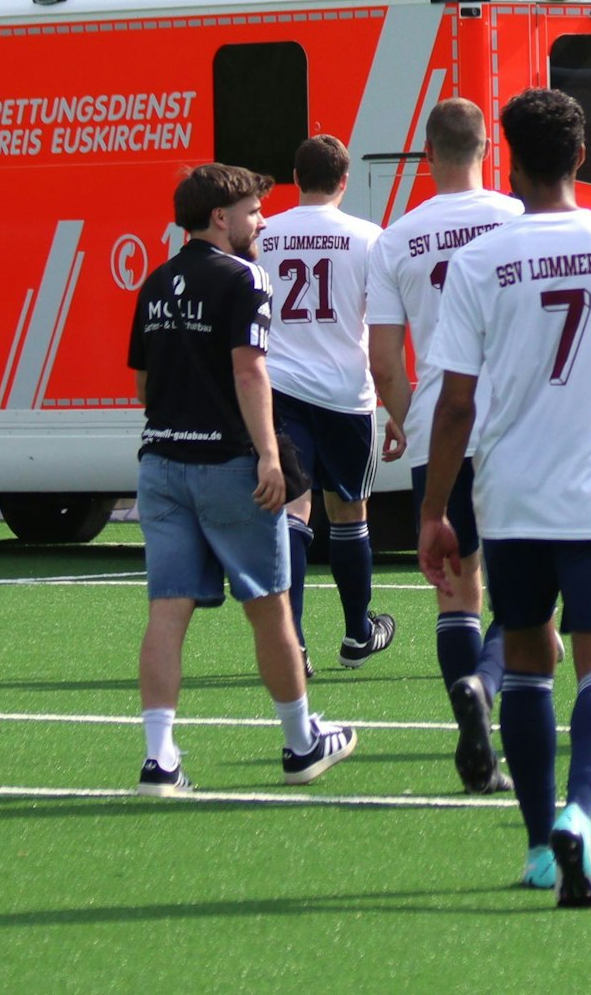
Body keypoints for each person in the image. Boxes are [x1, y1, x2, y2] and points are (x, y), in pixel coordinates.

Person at [419, 88, 591, 906]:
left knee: (528, 663)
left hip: (511, 495)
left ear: (509, 161)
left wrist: (435, 509)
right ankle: (581, 809)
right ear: (581, 156)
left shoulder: (479, 261)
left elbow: (456, 404)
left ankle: (541, 845)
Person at [128, 164, 358, 795]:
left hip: (160, 465)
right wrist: (268, 455)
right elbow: (250, 371)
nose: (261, 222)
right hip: (228, 466)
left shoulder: (155, 281)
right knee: (269, 606)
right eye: (254, 211)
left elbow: (144, 384)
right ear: (220, 217)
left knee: (167, 611)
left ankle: (159, 759)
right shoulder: (244, 277)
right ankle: (300, 743)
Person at [368, 97, 535, 794]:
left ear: (429, 154)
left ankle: (477, 740)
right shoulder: (517, 217)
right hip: (517, 419)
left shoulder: (396, 238)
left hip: (442, 423)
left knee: (455, 589)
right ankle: (487, 689)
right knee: (529, 588)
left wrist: (413, 423)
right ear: (487, 150)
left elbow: (384, 362)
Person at [258, 135, 396, 674]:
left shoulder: (265, 233)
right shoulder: (368, 237)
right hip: (344, 393)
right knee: (349, 511)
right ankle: (358, 633)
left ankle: (293, 644)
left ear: (295, 177)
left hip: (281, 388)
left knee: (293, 511)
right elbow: (381, 323)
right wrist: (396, 405)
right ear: (344, 181)